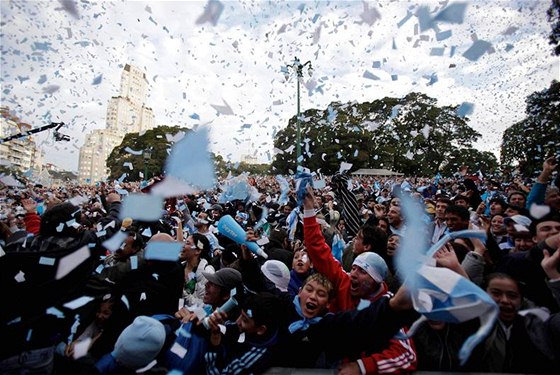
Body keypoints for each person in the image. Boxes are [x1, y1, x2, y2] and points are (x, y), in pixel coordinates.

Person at [302, 187, 417, 374]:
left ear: (376, 280)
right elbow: (316, 248)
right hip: (332, 361)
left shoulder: (388, 305)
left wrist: (362, 367)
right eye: (353, 268)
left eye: (362, 272)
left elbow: (407, 356)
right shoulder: (344, 281)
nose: (353, 274)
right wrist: (309, 208)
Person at [180, 233, 215, 308]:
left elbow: (205, 305)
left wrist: (182, 292)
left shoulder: (207, 273)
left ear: (198, 251)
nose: (182, 245)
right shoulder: (179, 266)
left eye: (187, 243)